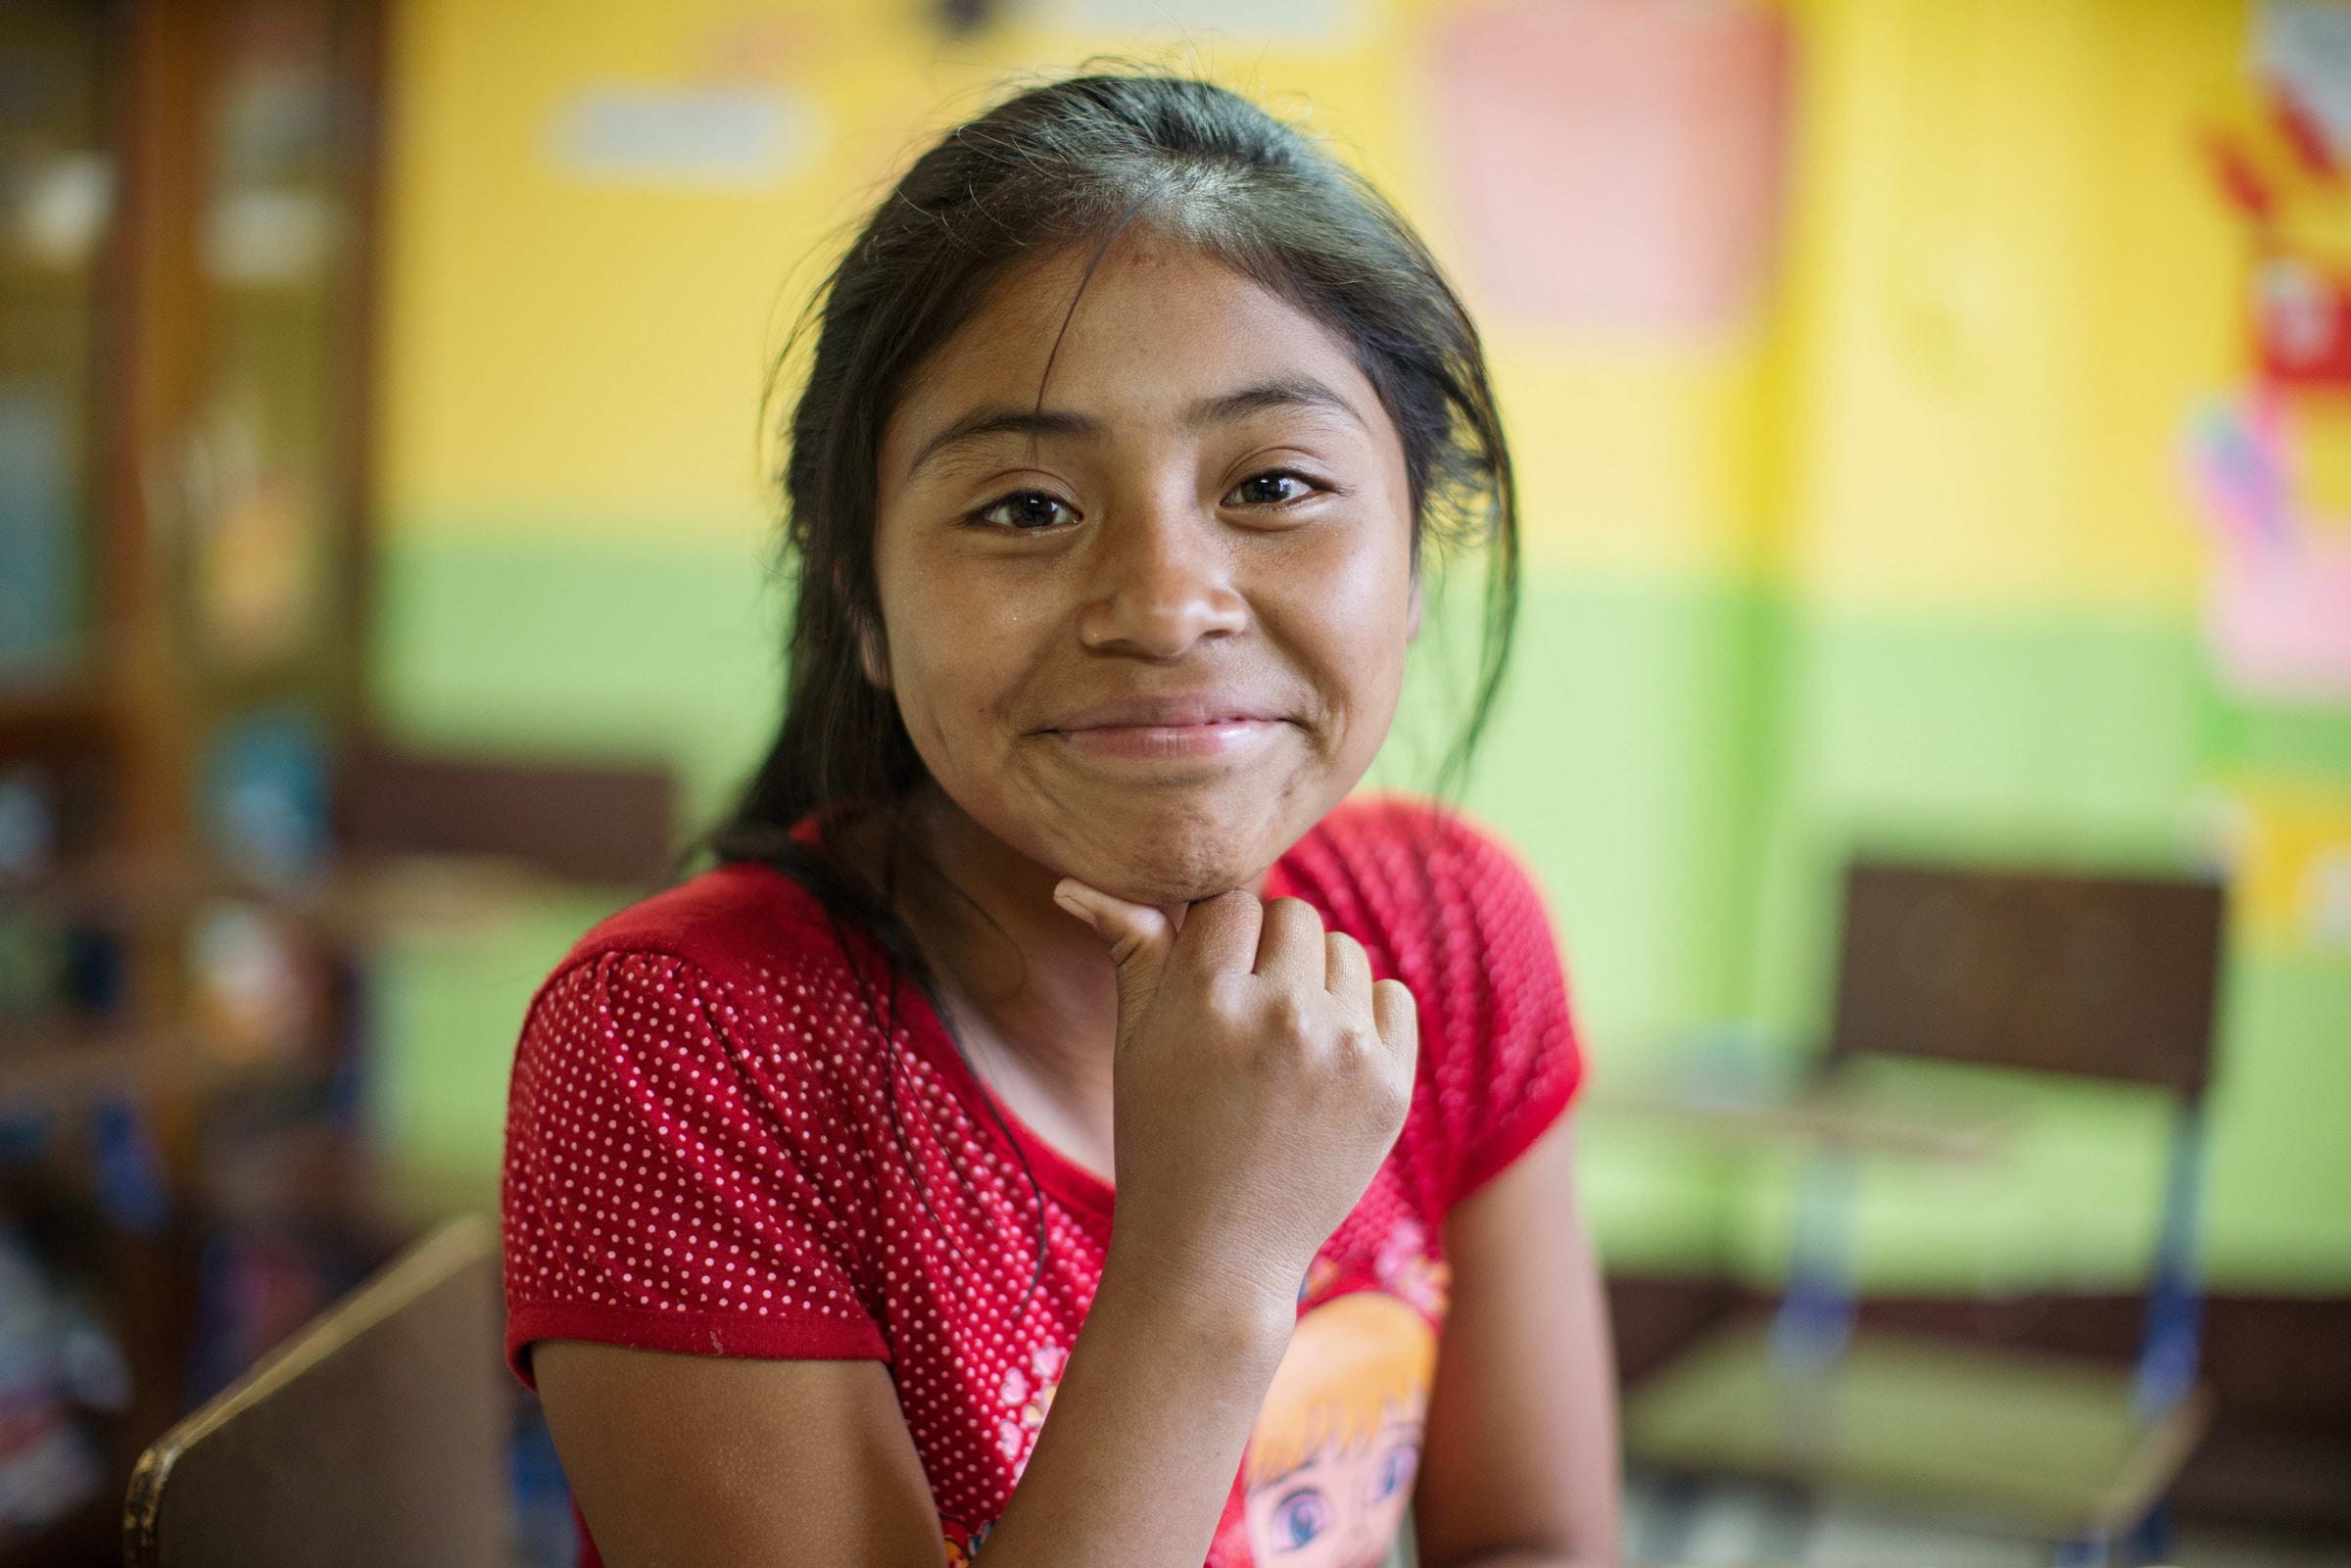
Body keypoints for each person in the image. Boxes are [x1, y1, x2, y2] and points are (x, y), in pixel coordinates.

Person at [500, 70, 1620, 1568]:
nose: (1166, 607)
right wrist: (1211, 1263)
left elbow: (1534, 1537)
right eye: (1026, 507)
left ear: (1413, 561)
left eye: (1273, 483)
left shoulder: (1450, 936)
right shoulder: (684, 1050)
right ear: (867, 605)